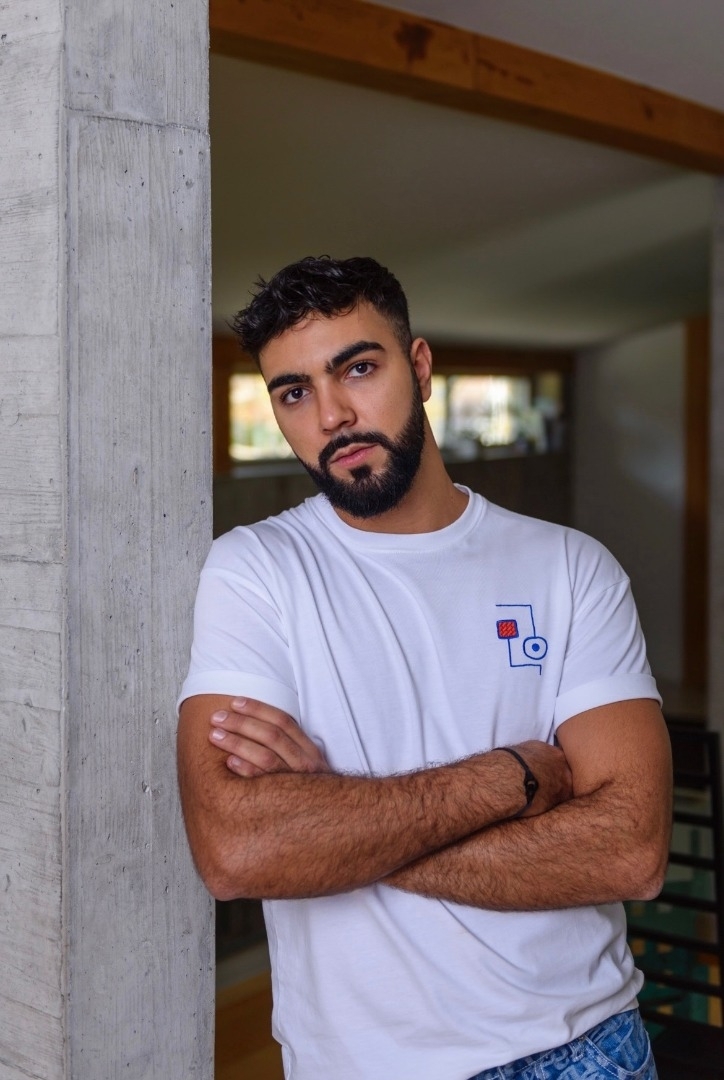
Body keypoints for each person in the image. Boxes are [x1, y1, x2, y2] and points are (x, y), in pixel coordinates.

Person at [177, 256, 672, 1080]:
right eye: (293, 392)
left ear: (420, 367)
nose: (331, 415)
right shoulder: (254, 571)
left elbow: (631, 851)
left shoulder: (570, 567)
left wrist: (334, 826)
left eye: (357, 369)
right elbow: (235, 850)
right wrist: (513, 778)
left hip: (585, 1049)